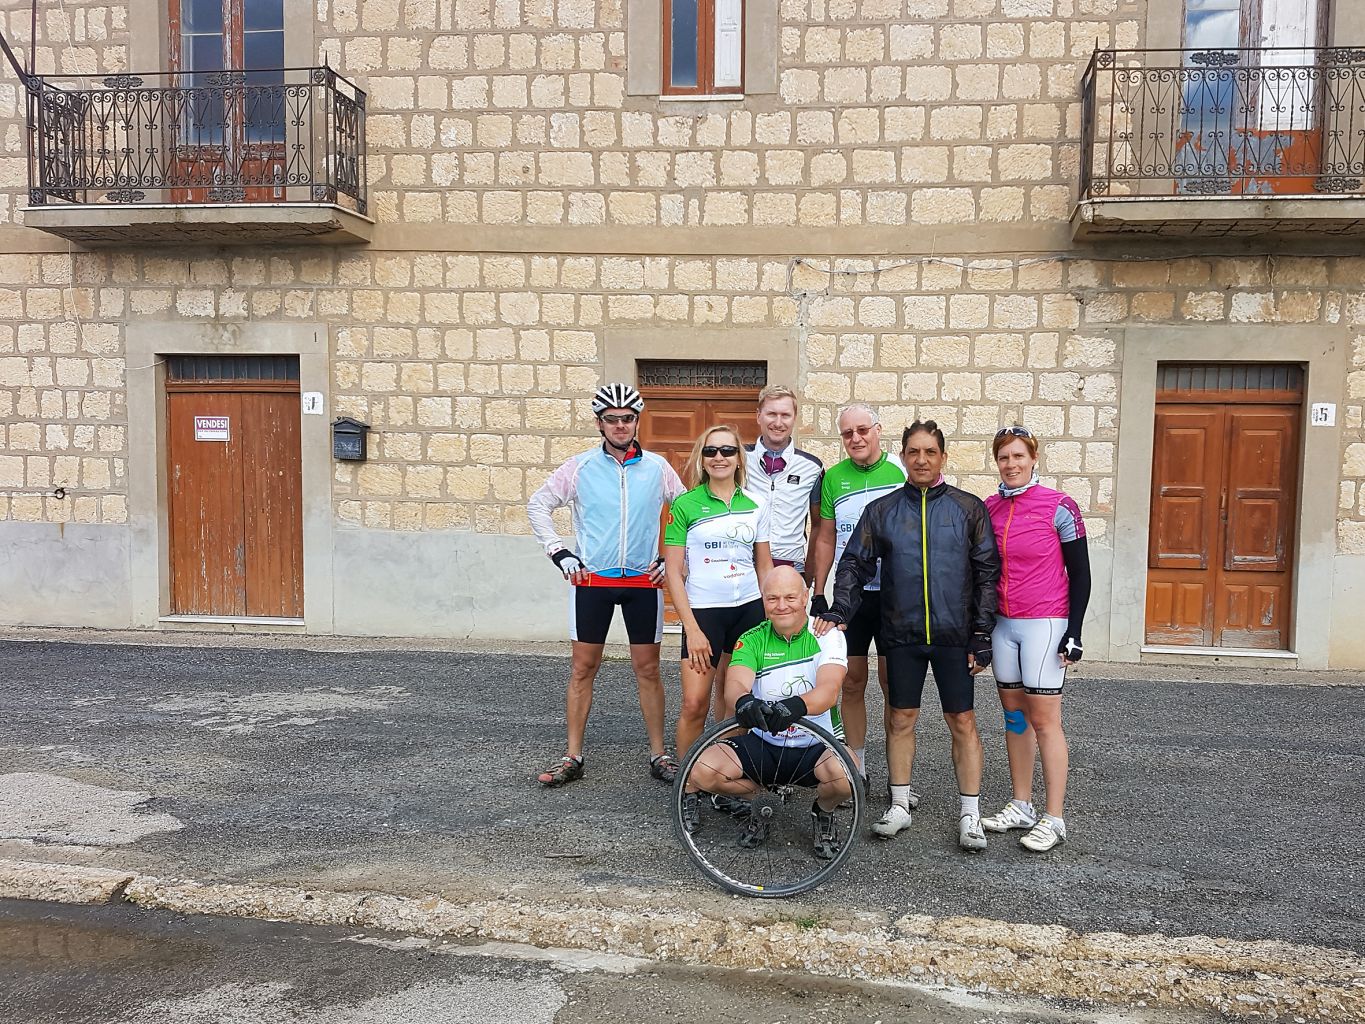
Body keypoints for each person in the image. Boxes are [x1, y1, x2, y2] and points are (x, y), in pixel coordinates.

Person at [816, 420, 999, 852]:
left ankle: (970, 814)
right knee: (901, 718)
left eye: (930, 452)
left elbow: (988, 572)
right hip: (901, 632)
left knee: (962, 721)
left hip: (955, 634)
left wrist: (982, 632)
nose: (921, 459)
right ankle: (899, 805)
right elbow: (854, 563)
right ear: (902, 457)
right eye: (913, 452)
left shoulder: (968, 508)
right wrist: (841, 608)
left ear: (943, 457)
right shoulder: (882, 510)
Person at [527, 383, 686, 788]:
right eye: (611, 419)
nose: (620, 426)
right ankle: (573, 756)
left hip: (642, 582)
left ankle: (659, 755)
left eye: (627, 419)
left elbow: (688, 512)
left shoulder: (657, 467)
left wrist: (669, 560)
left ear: (637, 422)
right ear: (599, 423)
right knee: (583, 668)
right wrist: (560, 552)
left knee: (648, 669)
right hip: (592, 580)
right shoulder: (579, 466)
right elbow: (538, 505)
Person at [680, 566, 852, 860]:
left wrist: (793, 707)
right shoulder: (752, 638)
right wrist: (745, 702)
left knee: (847, 778)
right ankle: (762, 801)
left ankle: (823, 811)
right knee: (702, 770)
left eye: (790, 597)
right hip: (766, 743)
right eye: (772, 598)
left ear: (805, 597)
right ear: (763, 600)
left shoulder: (826, 634)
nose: (781, 605)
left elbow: (829, 691)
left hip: (815, 745)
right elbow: (734, 685)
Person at [981, 426, 1091, 852]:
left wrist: (1074, 631)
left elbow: (1080, 574)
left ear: (1033, 459)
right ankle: (1021, 804)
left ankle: (1055, 817)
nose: (1011, 464)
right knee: (1014, 717)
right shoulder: (990, 507)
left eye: (1018, 456)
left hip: (1045, 622)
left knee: (1045, 720)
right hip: (1004, 624)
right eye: (1004, 457)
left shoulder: (1060, 505)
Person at [807, 404, 905, 789]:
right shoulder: (833, 477)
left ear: (878, 430)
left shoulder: (900, 469)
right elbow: (825, 538)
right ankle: (856, 769)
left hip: (895, 596)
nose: (856, 438)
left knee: (894, 685)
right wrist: (819, 591)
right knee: (851, 682)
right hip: (852, 596)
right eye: (847, 433)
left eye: (863, 430)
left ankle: (899, 778)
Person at [665, 425, 773, 761]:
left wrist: (771, 616)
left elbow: (764, 565)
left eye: (727, 450)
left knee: (736, 703)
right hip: (704, 613)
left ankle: (724, 770)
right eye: (710, 451)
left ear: (739, 458)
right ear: (702, 458)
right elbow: (673, 572)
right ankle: (688, 780)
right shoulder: (685, 504)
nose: (719, 457)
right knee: (694, 703)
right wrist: (692, 629)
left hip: (749, 610)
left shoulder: (757, 503)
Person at [743, 384, 823, 582]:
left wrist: (810, 572)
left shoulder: (812, 467)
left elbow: (818, 525)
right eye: (771, 414)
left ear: (794, 418)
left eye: (785, 415)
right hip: (744, 563)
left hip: (790, 566)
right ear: (758, 416)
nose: (778, 423)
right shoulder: (739, 459)